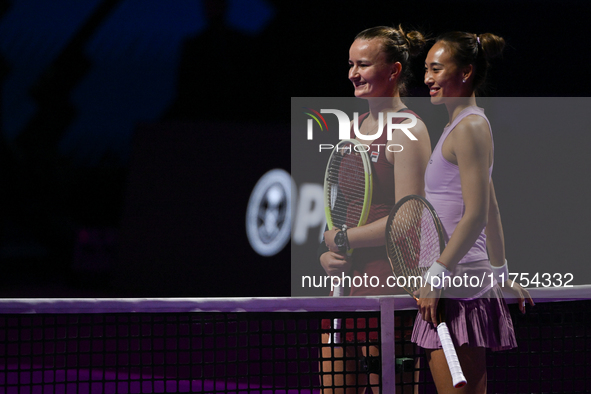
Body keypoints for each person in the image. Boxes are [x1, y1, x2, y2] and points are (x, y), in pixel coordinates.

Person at [415, 31, 534, 393]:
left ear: (465, 71)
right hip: (455, 280)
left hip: (455, 286)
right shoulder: (461, 125)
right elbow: (492, 207)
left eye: (436, 69)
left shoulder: (470, 127)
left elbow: (477, 214)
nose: (427, 79)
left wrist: (436, 275)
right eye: (426, 69)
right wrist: (500, 273)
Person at [320, 25, 431, 393]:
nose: (353, 73)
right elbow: (344, 210)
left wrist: (343, 238)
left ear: (394, 71)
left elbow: (409, 219)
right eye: (351, 64)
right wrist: (330, 251)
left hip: (388, 283)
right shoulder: (350, 129)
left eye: (363, 64)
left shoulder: (408, 130)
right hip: (345, 283)